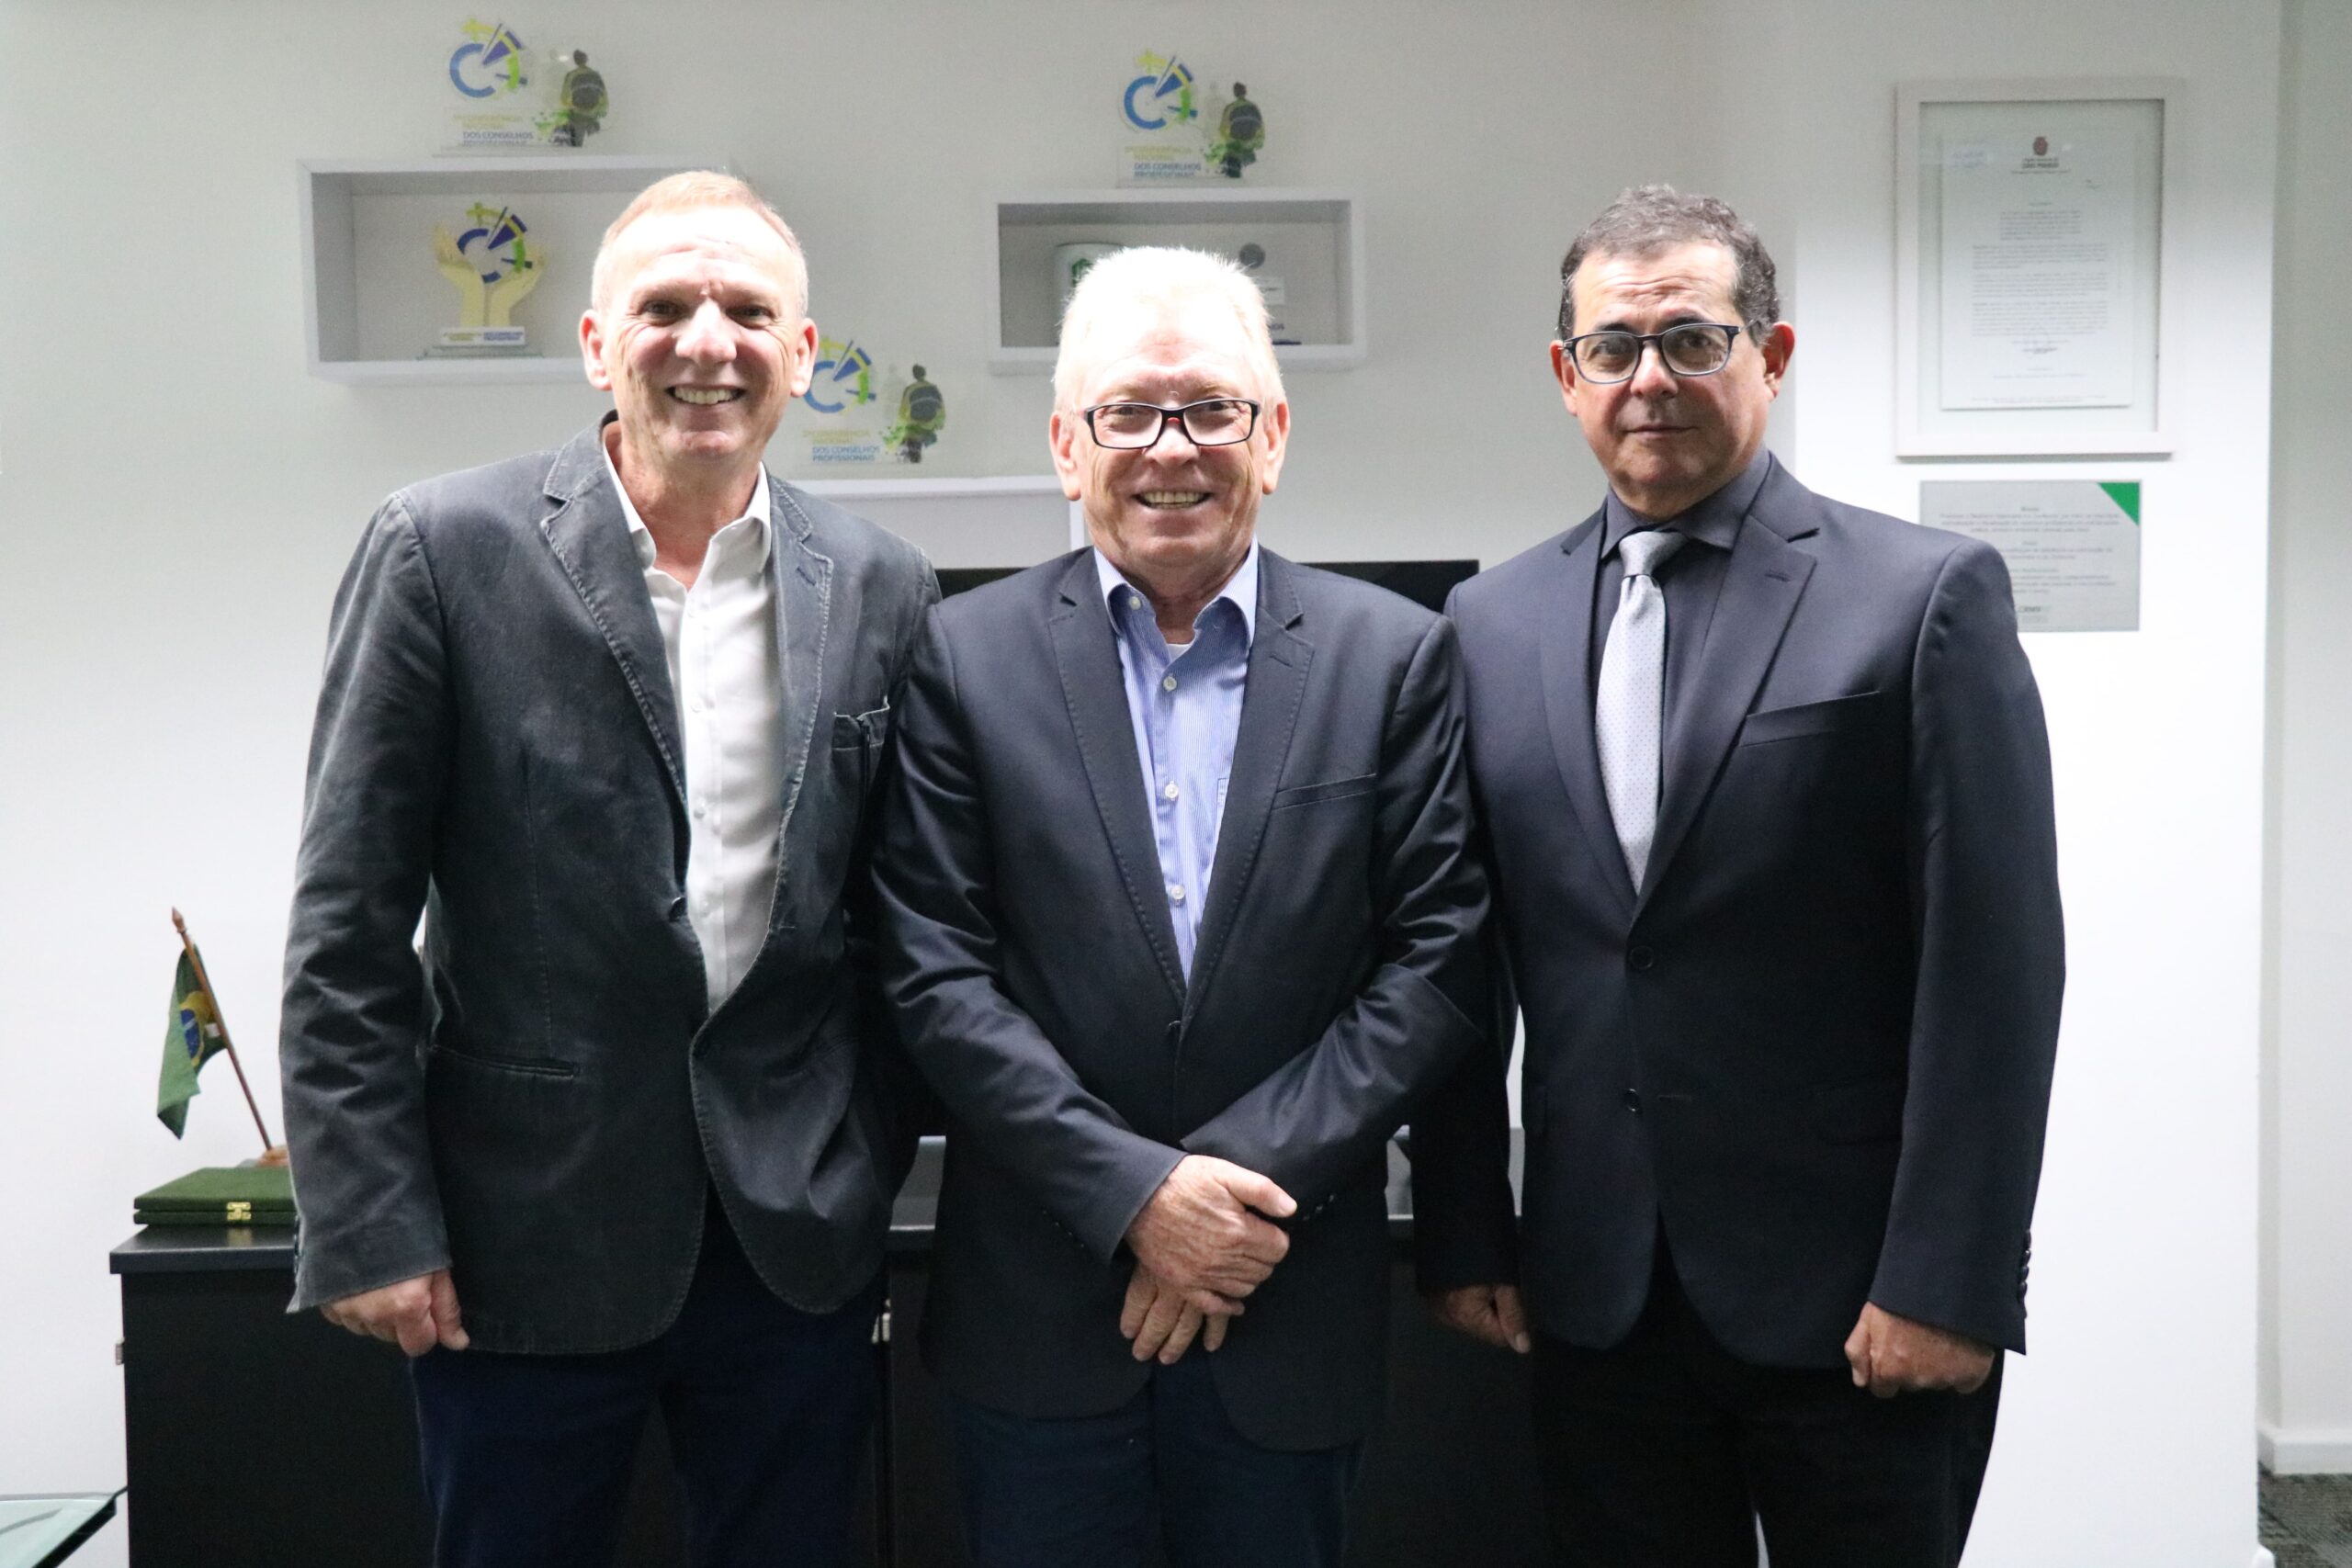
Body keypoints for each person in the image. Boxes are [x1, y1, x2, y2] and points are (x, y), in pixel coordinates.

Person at [278, 171, 938, 1568]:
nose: (710, 340)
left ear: (803, 355)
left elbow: (899, 924)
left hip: (791, 1250)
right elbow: (348, 924)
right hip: (517, 1245)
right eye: (666, 307)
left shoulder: (884, 584)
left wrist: (862, 1152)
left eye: (751, 310)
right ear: (596, 344)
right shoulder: (442, 550)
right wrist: (367, 1218)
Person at [1412, 185, 2064, 1567]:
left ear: (1769, 358)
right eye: (1614, 347)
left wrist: (1948, 1277)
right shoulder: (1488, 622)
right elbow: (1464, 960)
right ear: (1565, 375)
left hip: (1860, 1304)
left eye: (1694, 340)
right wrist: (1469, 1224)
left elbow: (1995, 969)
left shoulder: (1923, 597)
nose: (1652, 378)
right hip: (1596, 1294)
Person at [874, 245, 1490, 1568]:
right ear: (1064, 443)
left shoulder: (1395, 660)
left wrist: (1226, 1201)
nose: (1172, 449)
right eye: (1130, 412)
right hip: (1039, 1315)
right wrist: (1138, 1197)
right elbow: (933, 969)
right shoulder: (957, 658)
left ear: (1271, 439)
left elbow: (1434, 965)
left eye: (1212, 409)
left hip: (1285, 1303)